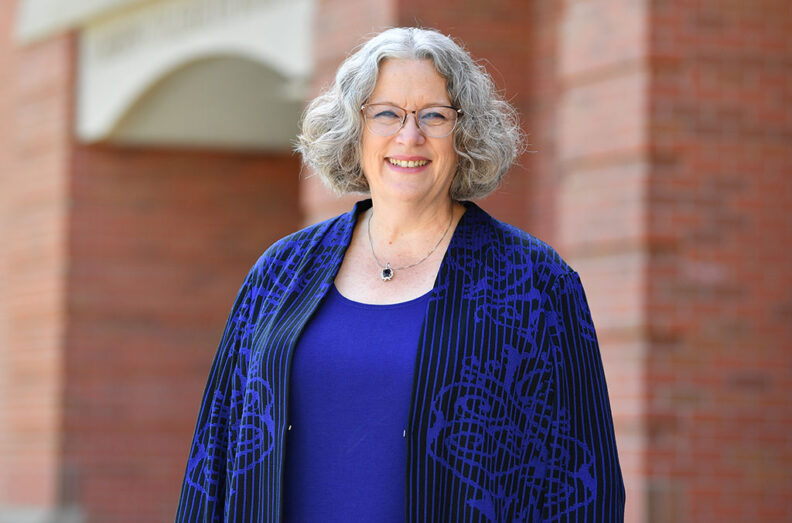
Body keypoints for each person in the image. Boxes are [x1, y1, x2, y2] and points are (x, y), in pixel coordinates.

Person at [176, 27, 624, 522]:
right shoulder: (279, 273)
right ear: (355, 129)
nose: (409, 137)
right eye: (386, 113)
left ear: (465, 134)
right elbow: (212, 456)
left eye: (434, 116)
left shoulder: (535, 283)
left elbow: (583, 483)